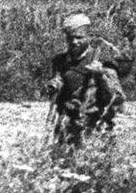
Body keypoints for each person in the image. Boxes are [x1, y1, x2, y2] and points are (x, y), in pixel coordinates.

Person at [44, 13, 126, 147]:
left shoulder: (103, 59)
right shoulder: (60, 61)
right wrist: (53, 86)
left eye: (79, 37)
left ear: (89, 36)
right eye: (70, 38)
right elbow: (57, 83)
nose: (74, 42)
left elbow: (117, 98)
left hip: (94, 125)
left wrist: (100, 75)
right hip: (67, 125)